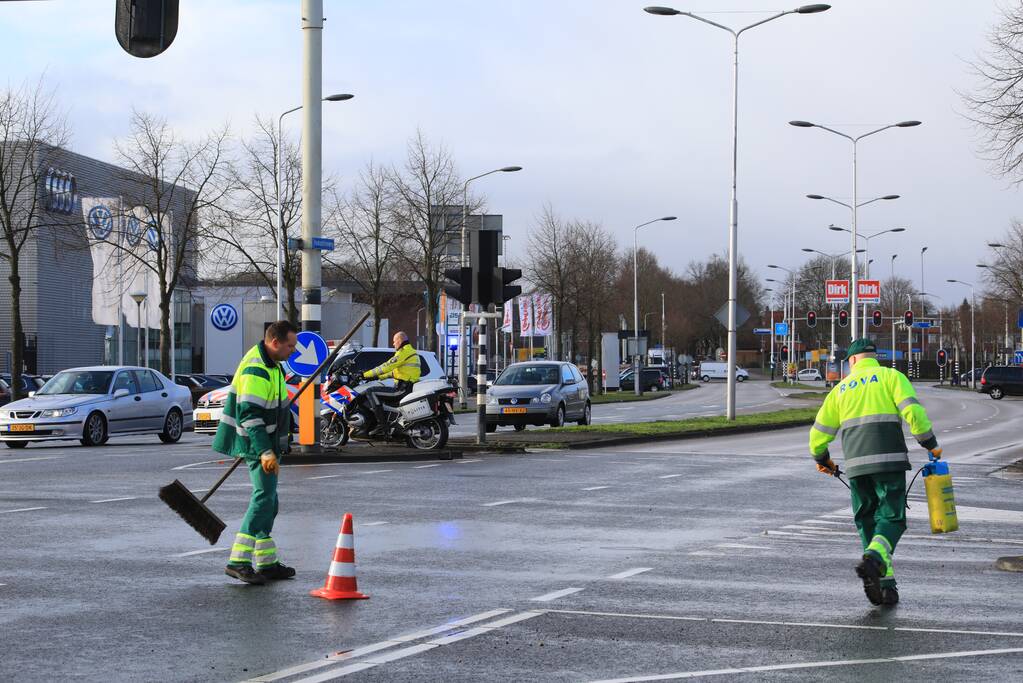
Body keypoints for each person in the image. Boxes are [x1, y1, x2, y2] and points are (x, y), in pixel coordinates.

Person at [808, 338, 942, 607]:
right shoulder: (891, 376)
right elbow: (913, 412)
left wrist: (824, 460)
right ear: (873, 357)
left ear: (853, 361)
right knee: (892, 519)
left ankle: (885, 585)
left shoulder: (841, 389)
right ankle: (874, 560)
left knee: (868, 520)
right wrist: (930, 444)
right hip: (889, 462)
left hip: (857, 468)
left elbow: (817, 436)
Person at [213, 320, 298, 585]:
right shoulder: (257, 369)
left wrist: (284, 437)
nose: (293, 351)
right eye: (290, 345)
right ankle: (237, 562)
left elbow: (277, 405)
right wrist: (264, 451)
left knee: (270, 502)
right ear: (274, 342)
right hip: (257, 444)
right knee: (263, 499)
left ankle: (267, 563)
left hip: (268, 444)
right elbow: (250, 415)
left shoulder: (273, 365)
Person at [361, 331, 421, 435]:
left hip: (401, 389)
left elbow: (386, 366)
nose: (393, 344)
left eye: (394, 341)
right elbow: (394, 372)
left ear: (400, 340)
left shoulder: (403, 352)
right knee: (379, 392)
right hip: (406, 386)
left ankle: (382, 425)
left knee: (370, 391)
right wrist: (378, 377)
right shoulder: (411, 352)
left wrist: (365, 375)